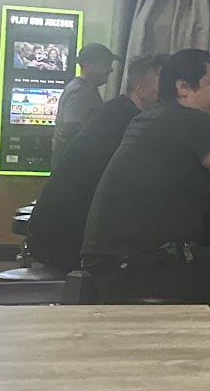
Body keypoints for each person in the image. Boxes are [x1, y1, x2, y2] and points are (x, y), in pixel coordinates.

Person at [79, 48, 210, 306]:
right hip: (140, 264)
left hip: (109, 261)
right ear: (183, 88)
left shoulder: (152, 116)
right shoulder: (189, 119)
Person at [25, 54, 164, 272]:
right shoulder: (131, 120)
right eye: (165, 86)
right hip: (68, 238)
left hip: (54, 229)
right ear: (141, 89)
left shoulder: (117, 109)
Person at [53, 42, 115, 164]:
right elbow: (72, 128)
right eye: (106, 64)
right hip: (74, 167)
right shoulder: (79, 92)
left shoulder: (86, 89)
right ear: (88, 65)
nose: (111, 69)